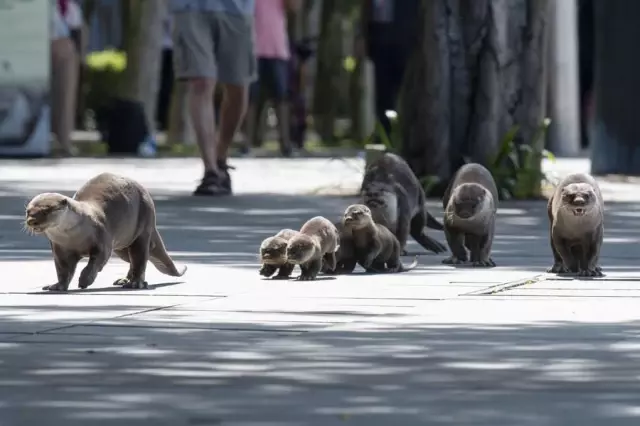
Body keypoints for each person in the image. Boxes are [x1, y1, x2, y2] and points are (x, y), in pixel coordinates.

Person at [170, 0, 257, 196]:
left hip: (237, 9)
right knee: (201, 82)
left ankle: (220, 155)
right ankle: (210, 171)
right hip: (190, 8)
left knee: (238, 86)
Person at [243, 0, 300, 157]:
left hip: (277, 48)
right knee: (250, 98)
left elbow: (294, 7)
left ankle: (286, 144)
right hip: (252, 47)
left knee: (281, 98)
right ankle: (246, 144)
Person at [359, 0, 421, 140]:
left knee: (407, 92)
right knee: (383, 94)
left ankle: (405, 135)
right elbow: (367, 11)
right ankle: (384, 133)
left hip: (404, 42)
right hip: (379, 43)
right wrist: (363, 37)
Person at [50, 0, 83, 156]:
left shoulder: (69, 7)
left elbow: (76, 32)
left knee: (66, 96)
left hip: (61, 51)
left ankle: (64, 140)